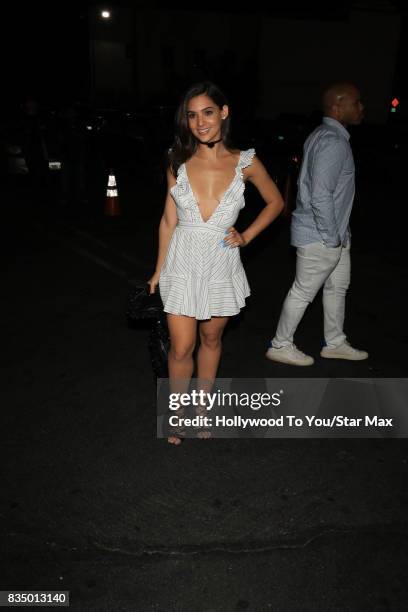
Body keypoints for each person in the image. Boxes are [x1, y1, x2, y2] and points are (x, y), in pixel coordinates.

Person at [148, 81, 284, 444]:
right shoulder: (176, 159)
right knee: (180, 346)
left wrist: (248, 235)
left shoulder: (246, 162)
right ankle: (176, 412)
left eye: (208, 112)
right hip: (182, 259)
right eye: (192, 115)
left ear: (224, 113)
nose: (200, 122)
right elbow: (168, 219)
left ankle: (203, 409)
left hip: (221, 261)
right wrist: (159, 269)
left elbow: (276, 202)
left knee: (211, 338)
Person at [266, 82, 368, 366]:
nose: (362, 108)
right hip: (321, 234)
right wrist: (331, 237)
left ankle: (334, 342)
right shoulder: (332, 141)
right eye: (356, 102)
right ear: (338, 106)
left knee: (337, 288)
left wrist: (339, 235)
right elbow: (321, 194)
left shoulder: (326, 135)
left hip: (334, 231)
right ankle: (280, 344)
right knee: (303, 291)